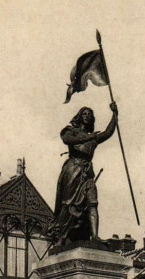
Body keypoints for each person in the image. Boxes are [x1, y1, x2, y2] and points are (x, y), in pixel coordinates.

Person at [47, 103, 118, 248]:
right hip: (73, 169)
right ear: (79, 117)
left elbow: (107, 133)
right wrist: (88, 137)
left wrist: (115, 115)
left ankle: (95, 236)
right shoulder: (70, 130)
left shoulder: (93, 137)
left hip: (87, 171)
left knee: (93, 202)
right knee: (68, 203)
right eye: (85, 113)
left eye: (90, 114)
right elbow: (67, 140)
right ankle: (62, 236)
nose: (88, 116)